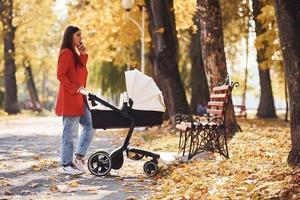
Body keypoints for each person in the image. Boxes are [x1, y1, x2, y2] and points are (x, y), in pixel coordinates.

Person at [55, 25, 95, 175]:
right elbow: (61, 75)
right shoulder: (66, 53)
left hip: (80, 98)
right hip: (71, 98)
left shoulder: (75, 54)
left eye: (81, 35)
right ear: (70, 36)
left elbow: (81, 72)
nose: (81, 38)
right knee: (70, 133)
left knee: (91, 125)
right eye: (78, 35)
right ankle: (66, 164)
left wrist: (83, 53)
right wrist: (74, 88)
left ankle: (78, 158)